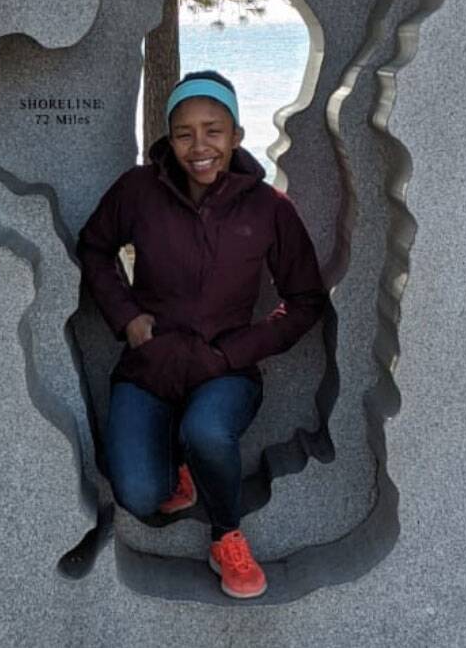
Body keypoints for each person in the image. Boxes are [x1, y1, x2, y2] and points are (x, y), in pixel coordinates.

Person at [77, 70, 327, 600]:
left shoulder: (268, 208)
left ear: (236, 136)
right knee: (140, 494)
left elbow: (306, 300)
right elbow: (95, 248)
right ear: (168, 140)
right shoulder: (138, 191)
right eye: (184, 133)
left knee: (208, 431)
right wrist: (127, 317)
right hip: (150, 369)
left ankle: (226, 536)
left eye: (213, 131)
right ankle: (180, 468)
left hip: (224, 371)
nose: (199, 147)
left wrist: (237, 349)